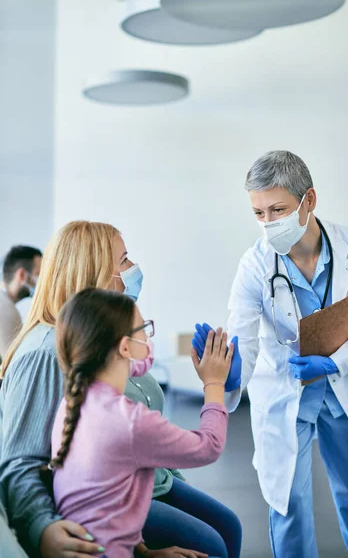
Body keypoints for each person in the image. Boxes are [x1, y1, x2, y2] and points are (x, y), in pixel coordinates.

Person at [193, 150, 348, 558]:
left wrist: (337, 360)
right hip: (288, 394)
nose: (269, 223)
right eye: (259, 213)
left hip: (344, 389)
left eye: (278, 209)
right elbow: (244, 339)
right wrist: (231, 373)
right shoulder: (254, 266)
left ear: (310, 200)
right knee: (288, 502)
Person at [0, 221, 241, 558]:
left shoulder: (104, 341)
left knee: (228, 527)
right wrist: (42, 528)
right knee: (211, 545)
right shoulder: (45, 351)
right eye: (124, 260)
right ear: (95, 272)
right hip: (105, 499)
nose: (134, 270)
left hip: (145, 483)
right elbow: (20, 463)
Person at [50, 287, 233, 558]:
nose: (148, 337)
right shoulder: (128, 420)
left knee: (229, 528)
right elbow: (209, 446)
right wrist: (215, 382)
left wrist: (145, 552)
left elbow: (108, 504)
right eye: (143, 329)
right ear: (124, 346)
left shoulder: (75, 400)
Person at [0, 246, 42, 359]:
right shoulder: (5, 309)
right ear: (22, 275)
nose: (41, 282)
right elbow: (12, 364)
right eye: (38, 274)